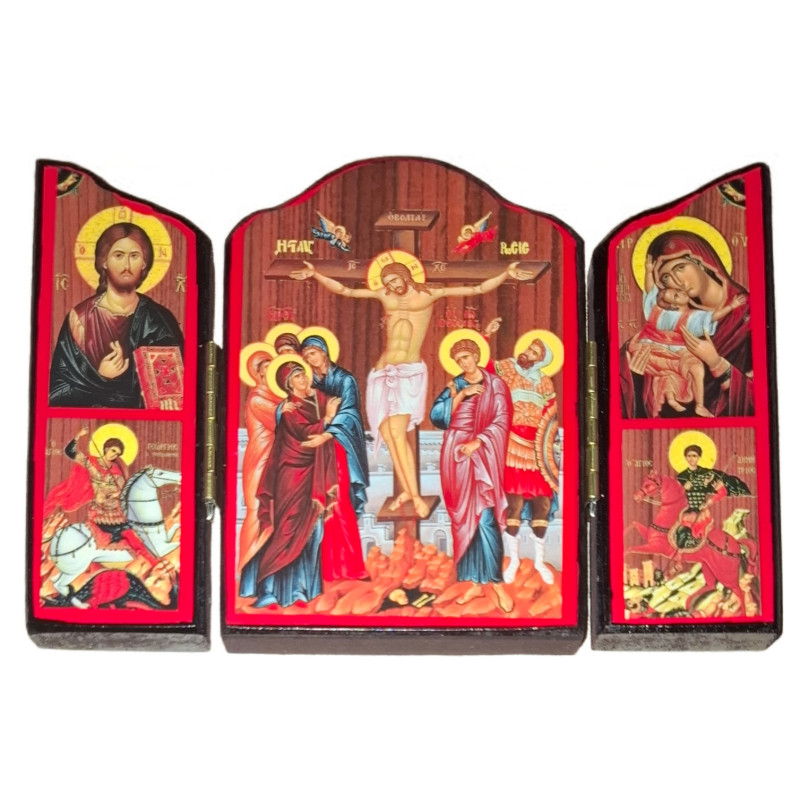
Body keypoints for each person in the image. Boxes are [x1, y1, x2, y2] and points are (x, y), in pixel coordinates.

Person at [291, 258, 535, 517]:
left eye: (394, 280)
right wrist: (315, 274)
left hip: (407, 373)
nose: (391, 286)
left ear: (405, 275)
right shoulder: (385, 295)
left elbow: (476, 289)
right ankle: (408, 491)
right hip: (382, 374)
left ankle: (416, 496)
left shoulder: (428, 294)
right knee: (388, 433)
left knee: (397, 433)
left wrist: (505, 272)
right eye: (386, 283)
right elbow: (346, 290)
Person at [240, 360, 366, 608]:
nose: (303, 379)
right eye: (297, 377)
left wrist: (333, 418)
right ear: (288, 384)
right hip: (292, 476)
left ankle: (301, 590)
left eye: (303, 374)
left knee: (314, 533)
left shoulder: (318, 398)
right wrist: (327, 419)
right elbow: (305, 434)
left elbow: (342, 410)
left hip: (314, 473)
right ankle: (269, 588)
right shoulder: (289, 409)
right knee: (287, 532)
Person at [49, 222, 184, 408]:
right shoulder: (80, 320)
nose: (127, 265)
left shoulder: (160, 319)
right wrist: (102, 377)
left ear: (144, 263)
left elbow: (178, 386)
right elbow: (56, 394)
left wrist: (167, 400)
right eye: (119, 255)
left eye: (134, 256)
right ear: (104, 261)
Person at [622, 230, 753, 418]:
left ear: (701, 261)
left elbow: (758, 401)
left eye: (680, 268)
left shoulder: (749, 316)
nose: (676, 281)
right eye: (666, 278)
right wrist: (636, 377)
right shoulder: (675, 318)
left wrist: (716, 363)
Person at [430, 338, 514, 611]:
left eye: (466, 357)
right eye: (458, 360)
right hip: (455, 453)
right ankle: (476, 584)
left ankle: (496, 584)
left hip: (481, 453)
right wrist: (460, 395)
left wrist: (479, 441)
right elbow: (439, 418)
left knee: (485, 516)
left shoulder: (495, 385)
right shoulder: (455, 385)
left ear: (477, 356)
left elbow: (502, 419)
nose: (463, 363)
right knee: (463, 519)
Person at [485, 331, 559, 585]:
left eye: (535, 352)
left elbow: (551, 415)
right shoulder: (508, 368)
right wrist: (486, 336)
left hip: (537, 448)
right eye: (529, 348)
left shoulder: (545, 382)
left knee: (543, 504)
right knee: (513, 504)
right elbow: (485, 367)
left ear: (541, 360)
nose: (528, 353)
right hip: (512, 445)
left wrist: (549, 449)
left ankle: (539, 561)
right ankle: (514, 560)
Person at [43, 427, 158, 567]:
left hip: (115, 513)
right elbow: (70, 452)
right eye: (113, 450)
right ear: (106, 448)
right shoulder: (91, 463)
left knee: (133, 538)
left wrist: (116, 494)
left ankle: (153, 562)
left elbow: (123, 490)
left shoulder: (117, 470)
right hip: (98, 513)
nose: (114, 455)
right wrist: (79, 435)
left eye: (117, 453)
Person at [293, 334, 370, 517]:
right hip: (317, 440)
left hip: (342, 439)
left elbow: (349, 411)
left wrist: (327, 434)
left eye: (313, 353)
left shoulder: (345, 379)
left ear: (324, 352)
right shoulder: (309, 381)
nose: (311, 359)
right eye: (307, 357)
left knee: (341, 486)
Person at [238, 350, 280, 572]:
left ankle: (267, 566)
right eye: (265, 368)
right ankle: (246, 565)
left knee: (274, 512)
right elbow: (283, 422)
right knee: (256, 511)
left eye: (272, 366)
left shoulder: (276, 396)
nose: (270, 371)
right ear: (258, 374)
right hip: (261, 459)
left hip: (276, 459)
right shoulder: (258, 399)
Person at [673, 444, 751, 549]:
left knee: (696, 531)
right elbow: (676, 494)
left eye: (694, 456)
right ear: (685, 457)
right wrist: (683, 488)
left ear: (699, 457)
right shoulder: (681, 476)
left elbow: (721, 492)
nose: (691, 459)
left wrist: (709, 496)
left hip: (702, 510)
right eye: (689, 456)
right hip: (685, 509)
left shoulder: (707, 473)